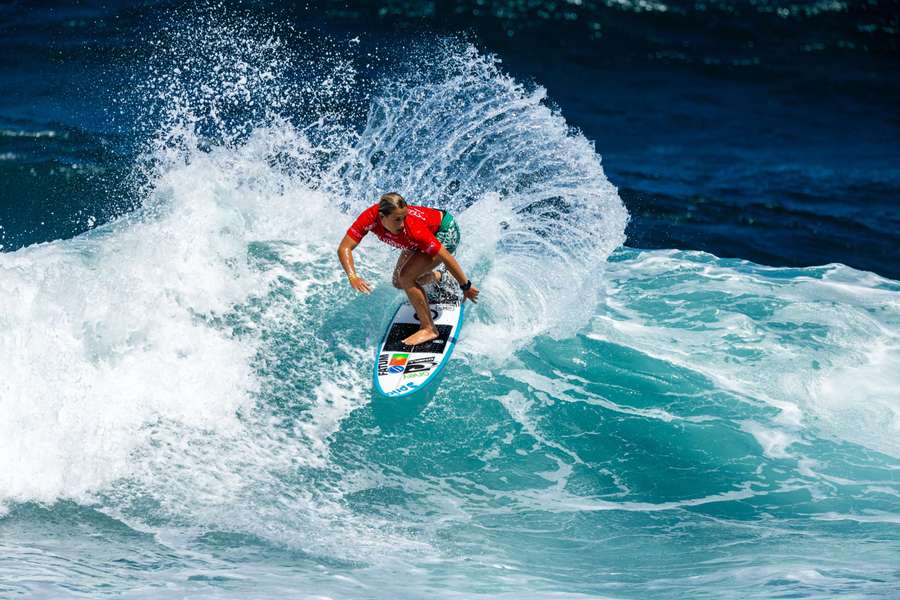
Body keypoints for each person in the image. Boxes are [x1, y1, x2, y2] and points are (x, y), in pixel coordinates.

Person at [337, 192, 480, 346]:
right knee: (399, 282)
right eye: (397, 219)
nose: (402, 224)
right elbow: (344, 247)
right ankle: (440, 278)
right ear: (382, 217)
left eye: (404, 218)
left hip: (444, 232)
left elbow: (446, 257)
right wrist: (352, 276)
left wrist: (465, 285)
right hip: (419, 239)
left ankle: (429, 329)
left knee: (406, 277)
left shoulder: (413, 228)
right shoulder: (369, 218)